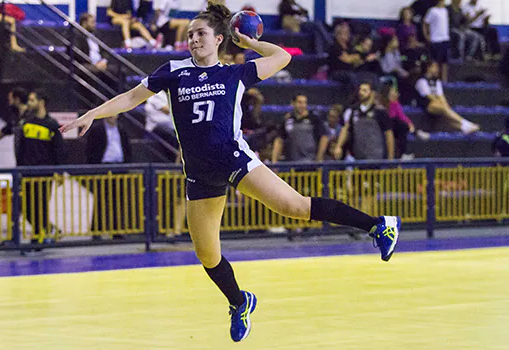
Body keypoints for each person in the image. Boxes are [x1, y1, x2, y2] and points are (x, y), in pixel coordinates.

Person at [60, 3, 401, 343]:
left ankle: (378, 226)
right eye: (191, 35)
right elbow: (132, 97)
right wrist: (94, 113)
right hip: (199, 172)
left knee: (294, 207)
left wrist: (249, 43)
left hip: (233, 160)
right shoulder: (174, 71)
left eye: (201, 34)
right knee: (207, 253)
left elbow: (283, 57)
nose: (193, 40)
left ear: (219, 38)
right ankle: (240, 302)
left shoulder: (234, 73)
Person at [18, 90, 65, 252]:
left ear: (41, 102)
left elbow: (59, 150)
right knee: (27, 207)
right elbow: (21, 149)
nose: (29, 103)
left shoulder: (52, 125)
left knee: (41, 206)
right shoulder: (26, 122)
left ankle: (38, 237)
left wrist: (59, 173)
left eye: (32, 100)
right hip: (27, 173)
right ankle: (44, 231)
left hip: (45, 175)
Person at [86, 115, 132, 240]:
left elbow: (127, 149)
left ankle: (117, 230)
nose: (113, 116)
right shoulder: (97, 129)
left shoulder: (122, 129)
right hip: (103, 167)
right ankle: (97, 230)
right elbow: (90, 150)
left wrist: (127, 166)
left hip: (119, 167)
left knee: (118, 201)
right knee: (100, 200)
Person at [334, 82, 395, 161]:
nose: (361, 92)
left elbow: (389, 134)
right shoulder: (353, 110)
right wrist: (338, 146)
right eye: (360, 90)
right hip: (358, 156)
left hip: (376, 156)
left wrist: (390, 156)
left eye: (364, 90)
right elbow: (345, 128)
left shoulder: (380, 112)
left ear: (372, 93)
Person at [415, 61, 479, 133]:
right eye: (434, 67)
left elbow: (441, 95)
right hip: (425, 105)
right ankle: (467, 123)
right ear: (428, 68)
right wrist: (443, 106)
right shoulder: (421, 81)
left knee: (445, 115)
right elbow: (429, 96)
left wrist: (445, 105)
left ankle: (465, 127)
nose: (437, 69)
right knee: (444, 110)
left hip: (437, 105)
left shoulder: (436, 81)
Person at [271, 94, 328, 162]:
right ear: (293, 103)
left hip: (310, 162)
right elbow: (279, 140)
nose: (303, 105)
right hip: (290, 163)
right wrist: (274, 161)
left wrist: (319, 158)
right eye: (300, 102)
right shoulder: (287, 120)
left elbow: (324, 138)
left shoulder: (314, 119)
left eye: (304, 103)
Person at [422, 0, 450, 82]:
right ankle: (435, 80)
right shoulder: (432, 10)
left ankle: (444, 80)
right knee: (435, 61)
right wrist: (426, 35)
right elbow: (425, 23)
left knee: (444, 62)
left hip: (445, 38)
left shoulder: (445, 10)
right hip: (435, 39)